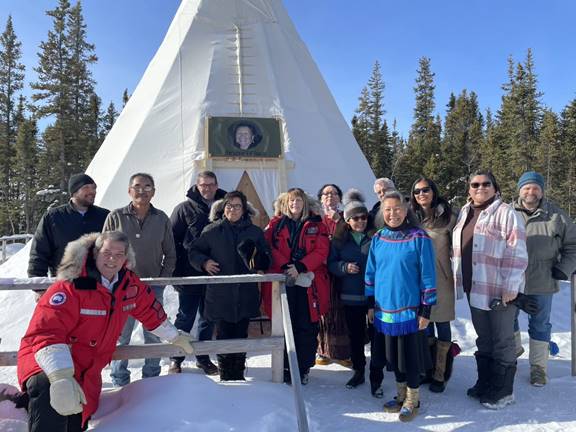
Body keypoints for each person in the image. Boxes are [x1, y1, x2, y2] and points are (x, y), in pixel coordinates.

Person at [17, 231, 194, 432]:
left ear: (126, 258)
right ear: (95, 253)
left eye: (120, 254)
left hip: (86, 369)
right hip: (46, 360)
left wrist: (175, 337)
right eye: (107, 252)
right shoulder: (71, 285)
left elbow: (149, 311)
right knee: (52, 398)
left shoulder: (129, 284)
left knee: (76, 418)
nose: (113, 259)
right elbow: (47, 332)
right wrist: (60, 376)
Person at [452, 170, 528, 409]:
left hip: (499, 290)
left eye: (486, 184)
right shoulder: (465, 212)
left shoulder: (506, 213)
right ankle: (485, 382)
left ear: (495, 188)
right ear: (469, 189)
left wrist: (511, 286)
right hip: (476, 288)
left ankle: (503, 391)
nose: (480, 188)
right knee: (484, 338)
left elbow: (517, 252)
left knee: (503, 341)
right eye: (475, 184)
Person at [366, 190, 436, 422]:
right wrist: (370, 304)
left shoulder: (419, 238)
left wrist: (426, 308)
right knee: (393, 356)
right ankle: (400, 393)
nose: (392, 213)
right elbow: (371, 274)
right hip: (384, 310)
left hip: (410, 310)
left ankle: (413, 397)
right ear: (382, 213)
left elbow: (428, 275)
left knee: (410, 356)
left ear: (406, 211)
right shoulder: (378, 238)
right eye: (388, 210)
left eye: (397, 209)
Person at [188, 191, 271, 380]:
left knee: (241, 333)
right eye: (229, 206)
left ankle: (238, 373)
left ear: (244, 209)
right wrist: (204, 262)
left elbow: (266, 258)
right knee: (223, 334)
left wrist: (258, 261)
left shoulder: (255, 232)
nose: (232, 210)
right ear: (223, 208)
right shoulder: (212, 230)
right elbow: (194, 251)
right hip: (220, 293)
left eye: (237, 206)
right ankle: (226, 374)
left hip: (245, 292)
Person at [104, 173, 177, 387]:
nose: (142, 191)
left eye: (147, 187)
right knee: (121, 335)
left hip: (152, 287)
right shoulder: (116, 216)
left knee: (153, 333)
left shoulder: (161, 218)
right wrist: (111, 279)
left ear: (153, 192)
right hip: (121, 286)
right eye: (137, 186)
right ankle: (120, 381)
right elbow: (103, 251)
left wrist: (162, 280)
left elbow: (170, 253)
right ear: (129, 190)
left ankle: (151, 379)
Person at [512, 171, 576, 386]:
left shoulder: (556, 215)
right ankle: (511, 353)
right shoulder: (507, 212)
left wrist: (564, 268)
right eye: (527, 187)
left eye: (535, 187)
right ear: (520, 190)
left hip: (543, 278)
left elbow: (573, 245)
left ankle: (538, 368)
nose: (531, 191)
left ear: (541, 191)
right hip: (511, 280)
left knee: (539, 325)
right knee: (506, 319)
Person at [262, 188, 330, 385]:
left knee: (306, 327)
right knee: (284, 326)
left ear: (304, 203)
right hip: (284, 281)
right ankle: (285, 366)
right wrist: (286, 266)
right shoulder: (275, 224)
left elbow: (321, 249)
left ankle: (302, 367)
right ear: (285, 203)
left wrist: (301, 266)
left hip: (307, 284)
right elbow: (269, 248)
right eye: (291, 201)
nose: (295, 204)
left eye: (298, 200)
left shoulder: (317, 224)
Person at [169, 171, 225, 375]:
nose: (207, 188)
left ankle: (203, 357)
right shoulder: (184, 209)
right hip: (188, 272)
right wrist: (174, 272)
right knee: (186, 316)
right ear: (197, 186)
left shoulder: (224, 207)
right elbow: (171, 241)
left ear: (217, 185)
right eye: (203, 185)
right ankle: (176, 358)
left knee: (208, 317)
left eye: (211, 184)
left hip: (215, 272)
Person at [410, 177, 458, 393]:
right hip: (418, 280)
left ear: (434, 191)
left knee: (442, 323)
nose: (421, 194)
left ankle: (441, 373)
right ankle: (427, 370)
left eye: (425, 190)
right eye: (417, 191)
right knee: (424, 324)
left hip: (441, 278)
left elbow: (459, 245)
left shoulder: (448, 217)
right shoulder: (411, 217)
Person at [28, 173, 109, 299]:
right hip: (64, 287)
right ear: (74, 191)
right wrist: (39, 287)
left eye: (94, 188)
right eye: (86, 187)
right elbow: (39, 252)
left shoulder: (104, 216)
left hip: (97, 287)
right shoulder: (53, 217)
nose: (92, 191)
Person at [328, 189, 377, 390]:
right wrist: (344, 267)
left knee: (376, 336)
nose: (360, 221)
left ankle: (377, 370)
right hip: (350, 295)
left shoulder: (375, 238)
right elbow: (331, 264)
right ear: (347, 221)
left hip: (373, 297)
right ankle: (359, 370)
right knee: (356, 336)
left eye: (363, 217)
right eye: (355, 218)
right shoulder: (339, 242)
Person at [315, 183, 351, 367]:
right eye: (326, 193)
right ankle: (323, 351)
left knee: (341, 311)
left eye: (334, 193)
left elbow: (351, 237)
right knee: (323, 310)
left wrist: (339, 221)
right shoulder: (315, 217)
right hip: (321, 271)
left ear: (340, 197)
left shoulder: (346, 217)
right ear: (320, 197)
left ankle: (345, 353)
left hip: (340, 269)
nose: (330, 196)